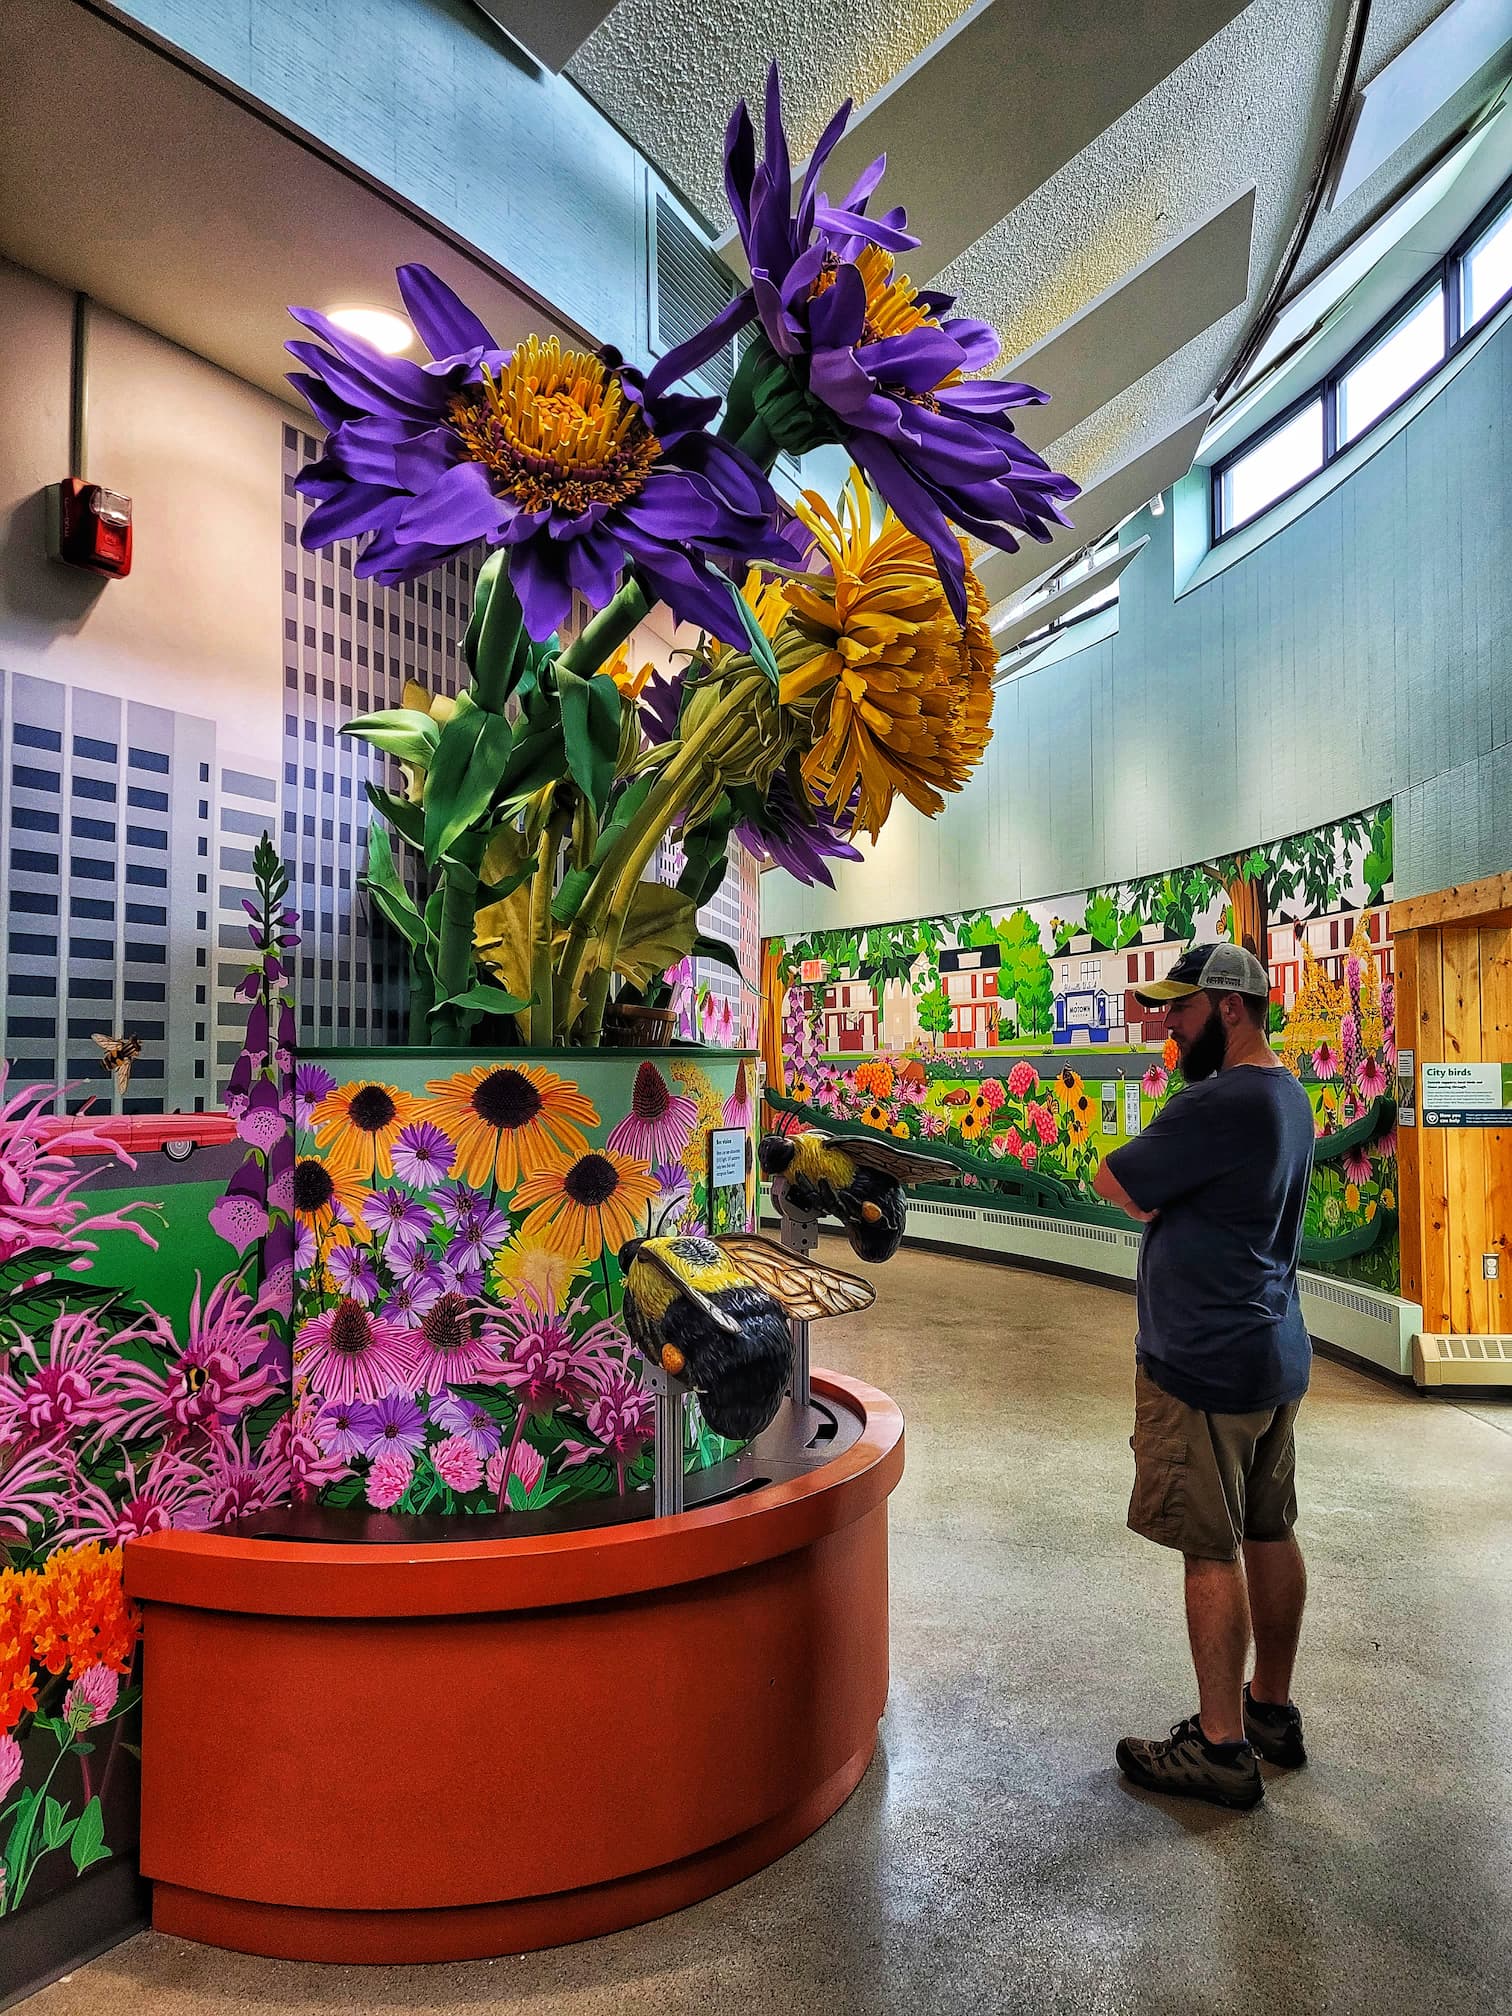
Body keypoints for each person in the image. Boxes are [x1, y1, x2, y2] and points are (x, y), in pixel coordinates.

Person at [1092, 943, 1315, 1810]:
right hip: (1270, 1352)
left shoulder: (1220, 1102)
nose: (1168, 1029)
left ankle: (1221, 1749)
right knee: (1270, 1529)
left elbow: (1118, 1180)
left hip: (1202, 1364)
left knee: (1209, 1546)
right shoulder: (1289, 1097)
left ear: (1228, 1009)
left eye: (1179, 1012)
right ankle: (1270, 1711)